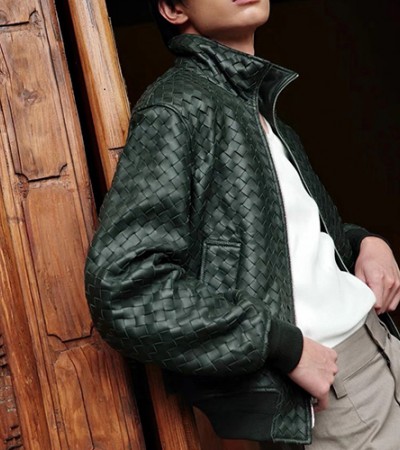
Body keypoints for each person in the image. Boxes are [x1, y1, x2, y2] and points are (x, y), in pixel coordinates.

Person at [84, 0, 400, 447]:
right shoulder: (178, 108)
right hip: (336, 395)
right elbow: (122, 285)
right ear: (174, 9)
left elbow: (283, 245)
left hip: (381, 345)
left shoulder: (253, 104)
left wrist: (367, 243)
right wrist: (281, 346)